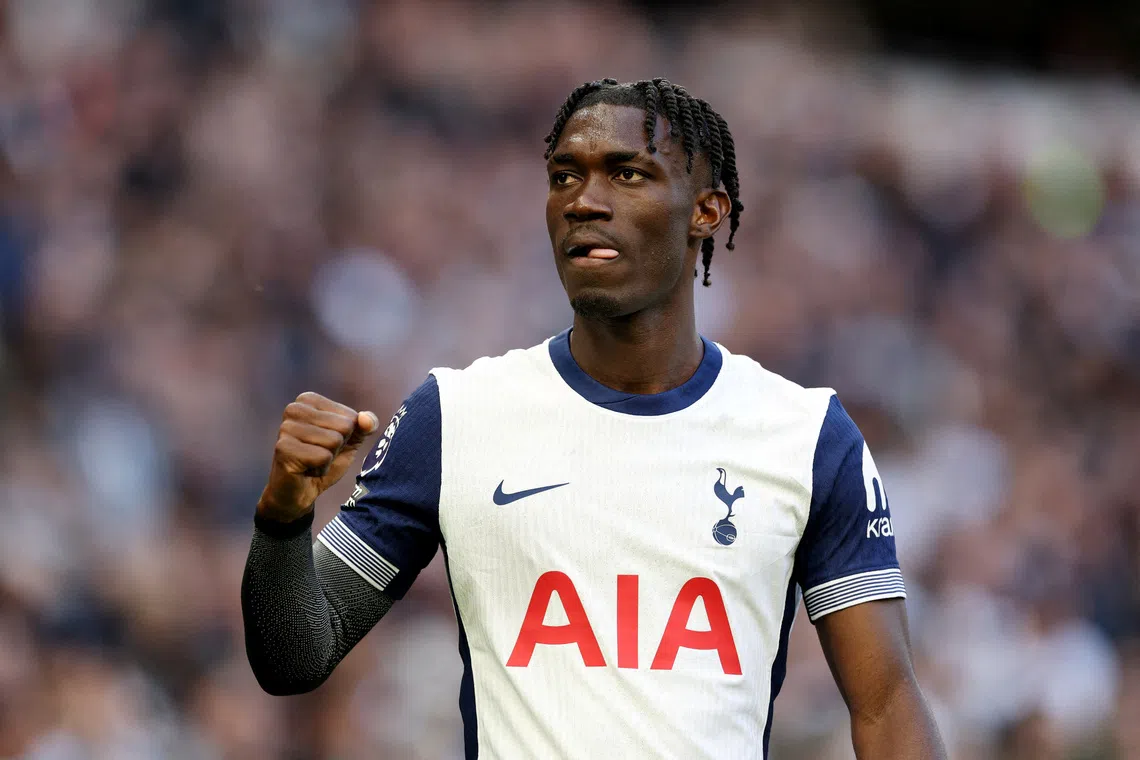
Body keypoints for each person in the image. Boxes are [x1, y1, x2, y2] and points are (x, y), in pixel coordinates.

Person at [242, 77, 947, 759]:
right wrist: (283, 515)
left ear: (707, 210)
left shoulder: (806, 436)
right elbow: (294, 654)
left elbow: (885, 705)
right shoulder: (458, 415)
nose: (584, 201)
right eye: (564, 176)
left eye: (627, 174)